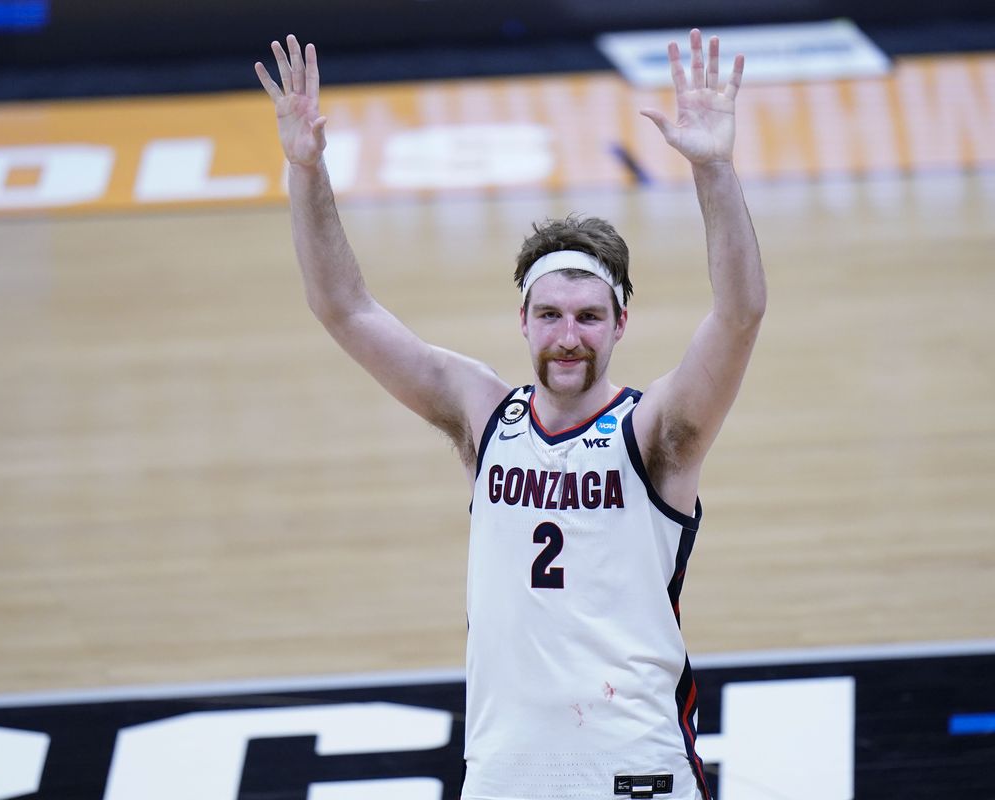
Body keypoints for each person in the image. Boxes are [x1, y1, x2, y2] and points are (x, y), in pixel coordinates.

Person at [256, 28, 764, 800]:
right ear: (522, 321)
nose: (568, 337)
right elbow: (345, 308)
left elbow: (739, 314)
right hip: (506, 775)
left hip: (634, 768)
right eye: (551, 314)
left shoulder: (656, 433)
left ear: (621, 324)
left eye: (590, 316)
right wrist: (306, 168)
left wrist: (714, 170)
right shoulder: (483, 416)